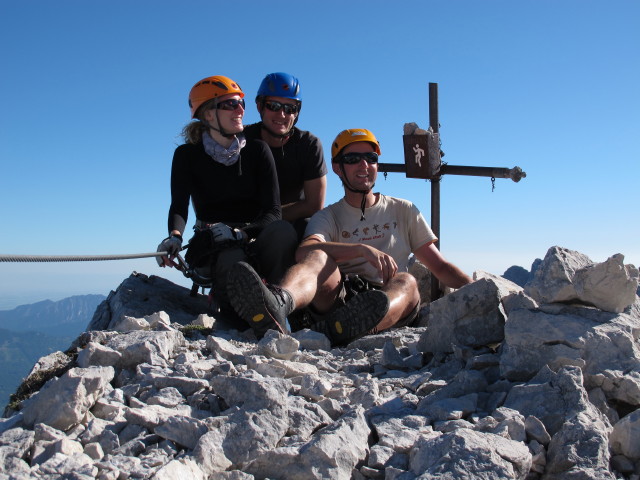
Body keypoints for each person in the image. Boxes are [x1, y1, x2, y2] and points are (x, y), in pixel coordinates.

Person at [227, 128, 473, 345]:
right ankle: (279, 304)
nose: (364, 165)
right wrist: (360, 250)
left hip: (389, 295)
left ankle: (349, 329)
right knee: (319, 257)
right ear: (337, 167)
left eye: (371, 158)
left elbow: (439, 266)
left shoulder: (403, 209)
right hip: (341, 300)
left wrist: (478, 291)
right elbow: (305, 252)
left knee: (407, 281)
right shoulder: (328, 216)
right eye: (353, 159)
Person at [156, 75, 297, 324]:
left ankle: (273, 305)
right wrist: (174, 237)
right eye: (230, 104)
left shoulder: (257, 150)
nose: (240, 109)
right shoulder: (187, 155)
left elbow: (273, 213)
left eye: (240, 103)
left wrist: (240, 233)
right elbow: (179, 205)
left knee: (283, 231)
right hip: (215, 245)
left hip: (252, 237)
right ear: (208, 114)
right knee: (232, 260)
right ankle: (247, 317)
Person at [243, 72, 327, 240]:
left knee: (308, 227)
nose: (281, 115)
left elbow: (314, 205)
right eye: (273, 106)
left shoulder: (309, 145)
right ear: (260, 106)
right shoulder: (240, 140)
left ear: (296, 113)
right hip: (243, 223)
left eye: (290, 108)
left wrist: (264, 221)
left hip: (290, 224)